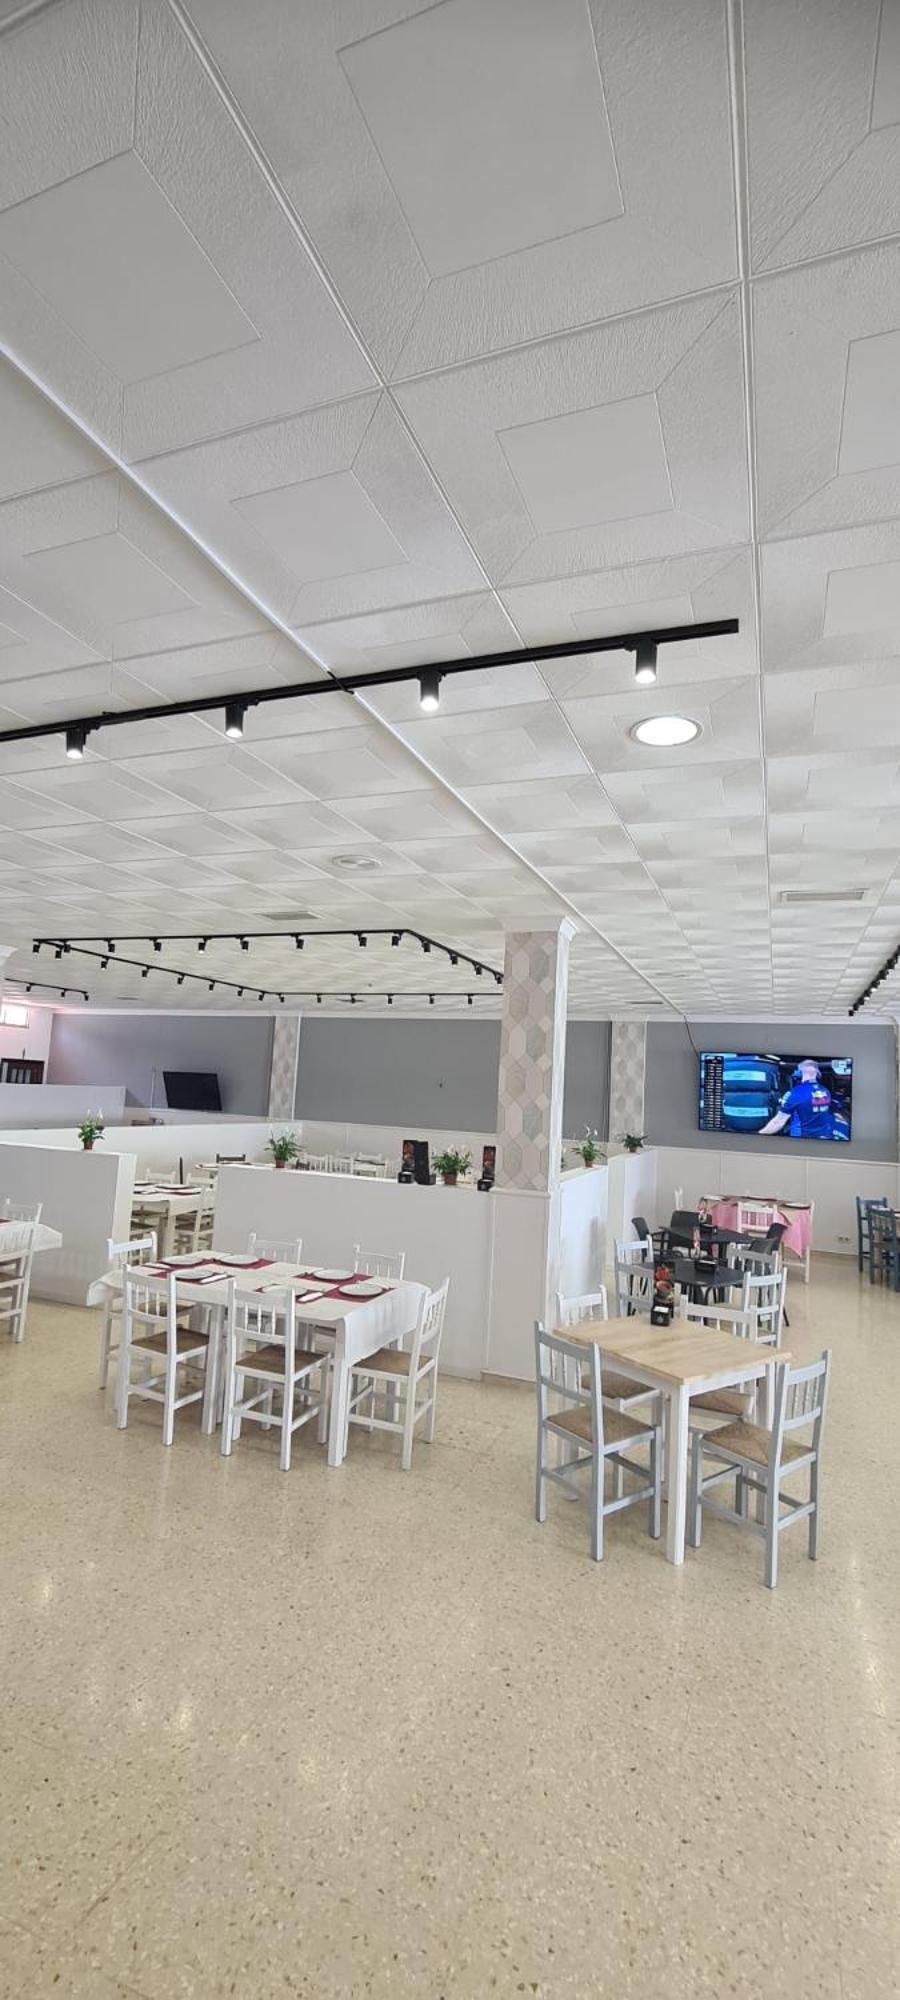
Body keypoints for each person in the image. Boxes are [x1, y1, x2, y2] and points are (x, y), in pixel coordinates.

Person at [760, 1059, 839, 1139]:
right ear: (817, 1073)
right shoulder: (826, 1091)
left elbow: (777, 1123)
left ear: (799, 1073)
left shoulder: (794, 1093)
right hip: (825, 1136)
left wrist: (759, 1135)